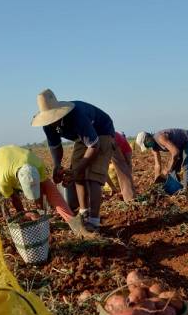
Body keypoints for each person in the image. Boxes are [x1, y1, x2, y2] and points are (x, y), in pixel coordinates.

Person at [31, 89, 133, 233]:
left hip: (102, 132)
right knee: (77, 174)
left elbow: (95, 145)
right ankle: (84, 212)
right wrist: (57, 165)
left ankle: (94, 221)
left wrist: (78, 169)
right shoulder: (47, 125)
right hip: (83, 138)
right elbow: (56, 147)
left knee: (93, 177)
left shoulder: (76, 115)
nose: (52, 122)